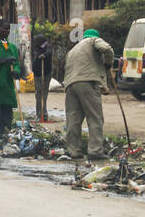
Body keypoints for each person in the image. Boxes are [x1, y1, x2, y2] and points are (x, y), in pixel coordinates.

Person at [64, 28, 115, 160]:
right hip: (87, 82)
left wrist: (103, 85)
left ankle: (73, 150)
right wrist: (108, 63)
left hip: (70, 85)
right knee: (95, 117)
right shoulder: (92, 40)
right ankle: (95, 151)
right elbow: (107, 49)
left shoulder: (73, 50)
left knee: (73, 118)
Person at [31, 34, 53, 122]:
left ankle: (43, 114)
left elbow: (49, 52)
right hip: (37, 73)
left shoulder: (47, 46)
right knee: (38, 94)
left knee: (43, 94)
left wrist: (44, 55)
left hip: (45, 73)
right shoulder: (36, 46)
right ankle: (39, 114)